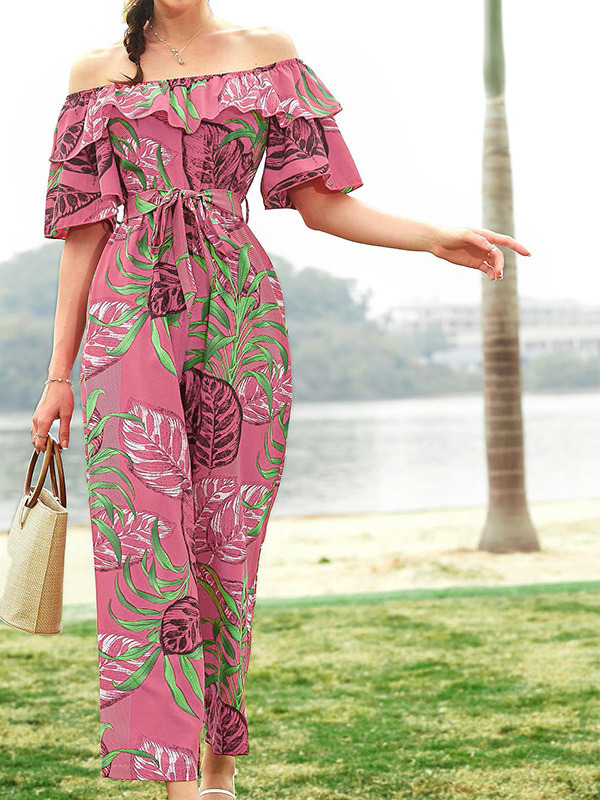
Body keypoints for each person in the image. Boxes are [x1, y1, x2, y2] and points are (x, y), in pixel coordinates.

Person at [30, 1, 531, 797]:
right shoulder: (96, 74)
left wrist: (432, 237)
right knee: (143, 546)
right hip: (129, 320)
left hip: (240, 315)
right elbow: (84, 232)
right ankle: (176, 784)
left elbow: (320, 204)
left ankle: (217, 774)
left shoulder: (269, 55)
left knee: (227, 545)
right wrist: (58, 375)